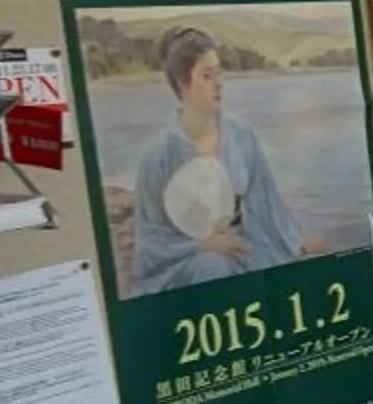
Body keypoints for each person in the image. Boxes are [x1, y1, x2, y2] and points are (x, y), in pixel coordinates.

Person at [131, 26, 315, 293]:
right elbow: (151, 239)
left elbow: (267, 203)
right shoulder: (158, 157)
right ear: (183, 83)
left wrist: (296, 244)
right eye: (207, 76)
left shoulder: (240, 135)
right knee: (213, 268)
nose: (218, 84)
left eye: (220, 73)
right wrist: (201, 245)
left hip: (244, 244)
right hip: (188, 261)